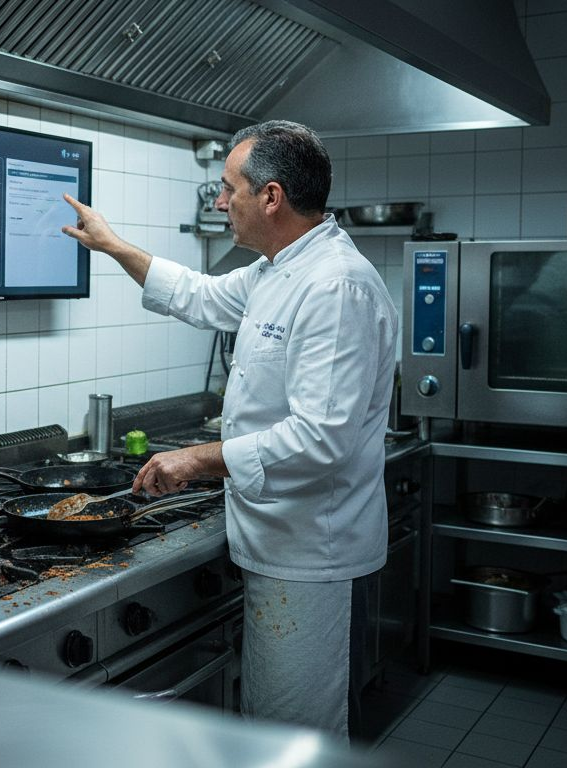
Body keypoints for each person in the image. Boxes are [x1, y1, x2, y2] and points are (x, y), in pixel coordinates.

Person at [60, 120, 396, 743]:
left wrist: (195, 460)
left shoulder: (335, 286)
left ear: (271, 197)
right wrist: (112, 246)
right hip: (274, 541)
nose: (219, 202)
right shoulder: (278, 270)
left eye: (227, 188)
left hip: (310, 556)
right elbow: (199, 295)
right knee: (269, 720)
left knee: (297, 732)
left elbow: (321, 438)